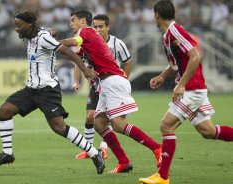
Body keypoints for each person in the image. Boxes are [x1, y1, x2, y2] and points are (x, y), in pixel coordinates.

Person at [0, 10, 105, 175]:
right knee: (4, 111)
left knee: (59, 127)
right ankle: (8, 153)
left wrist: (85, 70)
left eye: (19, 26)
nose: (16, 29)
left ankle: (95, 154)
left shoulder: (43, 38)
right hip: (31, 89)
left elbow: (67, 51)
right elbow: (53, 30)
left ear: (29, 25)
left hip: (47, 90)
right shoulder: (35, 34)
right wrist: (52, 31)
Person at [139, 1, 233, 184]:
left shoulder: (174, 31)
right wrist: (162, 76)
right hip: (194, 88)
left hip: (192, 89)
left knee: (166, 126)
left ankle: (162, 177)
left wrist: (181, 85)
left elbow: (195, 56)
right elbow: (176, 63)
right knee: (208, 131)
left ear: (157, 15)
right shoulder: (168, 35)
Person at [60, 9, 162, 174]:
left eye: (73, 20)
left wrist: (52, 42)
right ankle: (124, 162)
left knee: (118, 125)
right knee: (99, 124)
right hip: (105, 83)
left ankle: (157, 148)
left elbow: (72, 42)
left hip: (113, 81)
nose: (70, 23)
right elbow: (74, 54)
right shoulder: (88, 37)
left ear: (83, 21)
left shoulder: (85, 31)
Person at [73, 14, 132, 161]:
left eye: (101, 26)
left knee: (110, 119)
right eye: (95, 26)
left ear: (107, 27)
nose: (98, 29)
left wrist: (124, 78)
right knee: (90, 117)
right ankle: (89, 149)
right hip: (97, 85)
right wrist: (78, 80)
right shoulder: (90, 41)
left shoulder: (117, 43)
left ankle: (104, 149)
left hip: (112, 84)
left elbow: (128, 62)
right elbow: (79, 60)